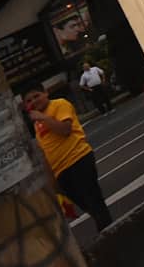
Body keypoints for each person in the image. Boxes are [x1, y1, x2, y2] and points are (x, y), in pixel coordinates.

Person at [24, 87, 113, 232]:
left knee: (93, 200)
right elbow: (46, 151)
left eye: (36, 96)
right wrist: (54, 184)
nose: (34, 101)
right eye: (29, 100)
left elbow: (65, 130)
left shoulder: (59, 104)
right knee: (85, 204)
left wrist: (43, 117)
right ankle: (107, 228)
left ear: (45, 93)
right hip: (60, 171)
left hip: (78, 158)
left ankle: (107, 231)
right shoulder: (37, 124)